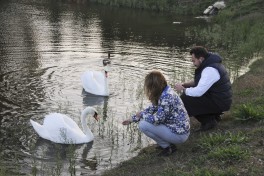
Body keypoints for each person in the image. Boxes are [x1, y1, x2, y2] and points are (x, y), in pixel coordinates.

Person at [122, 70, 190, 156]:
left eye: (150, 87)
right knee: (145, 121)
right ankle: (167, 145)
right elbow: (152, 108)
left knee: (143, 125)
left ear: (154, 86)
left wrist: (142, 115)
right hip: (178, 129)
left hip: (180, 134)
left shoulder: (166, 97)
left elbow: (158, 119)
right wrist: (132, 119)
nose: (149, 90)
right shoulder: (165, 92)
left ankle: (168, 147)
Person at [175, 46, 232, 131]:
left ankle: (209, 122)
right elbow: (198, 82)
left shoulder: (210, 70)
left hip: (220, 102)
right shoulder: (211, 63)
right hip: (219, 99)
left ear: (201, 59)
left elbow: (199, 91)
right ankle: (213, 116)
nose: (193, 63)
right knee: (190, 94)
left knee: (185, 99)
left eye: (194, 61)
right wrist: (184, 84)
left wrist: (183, 90)